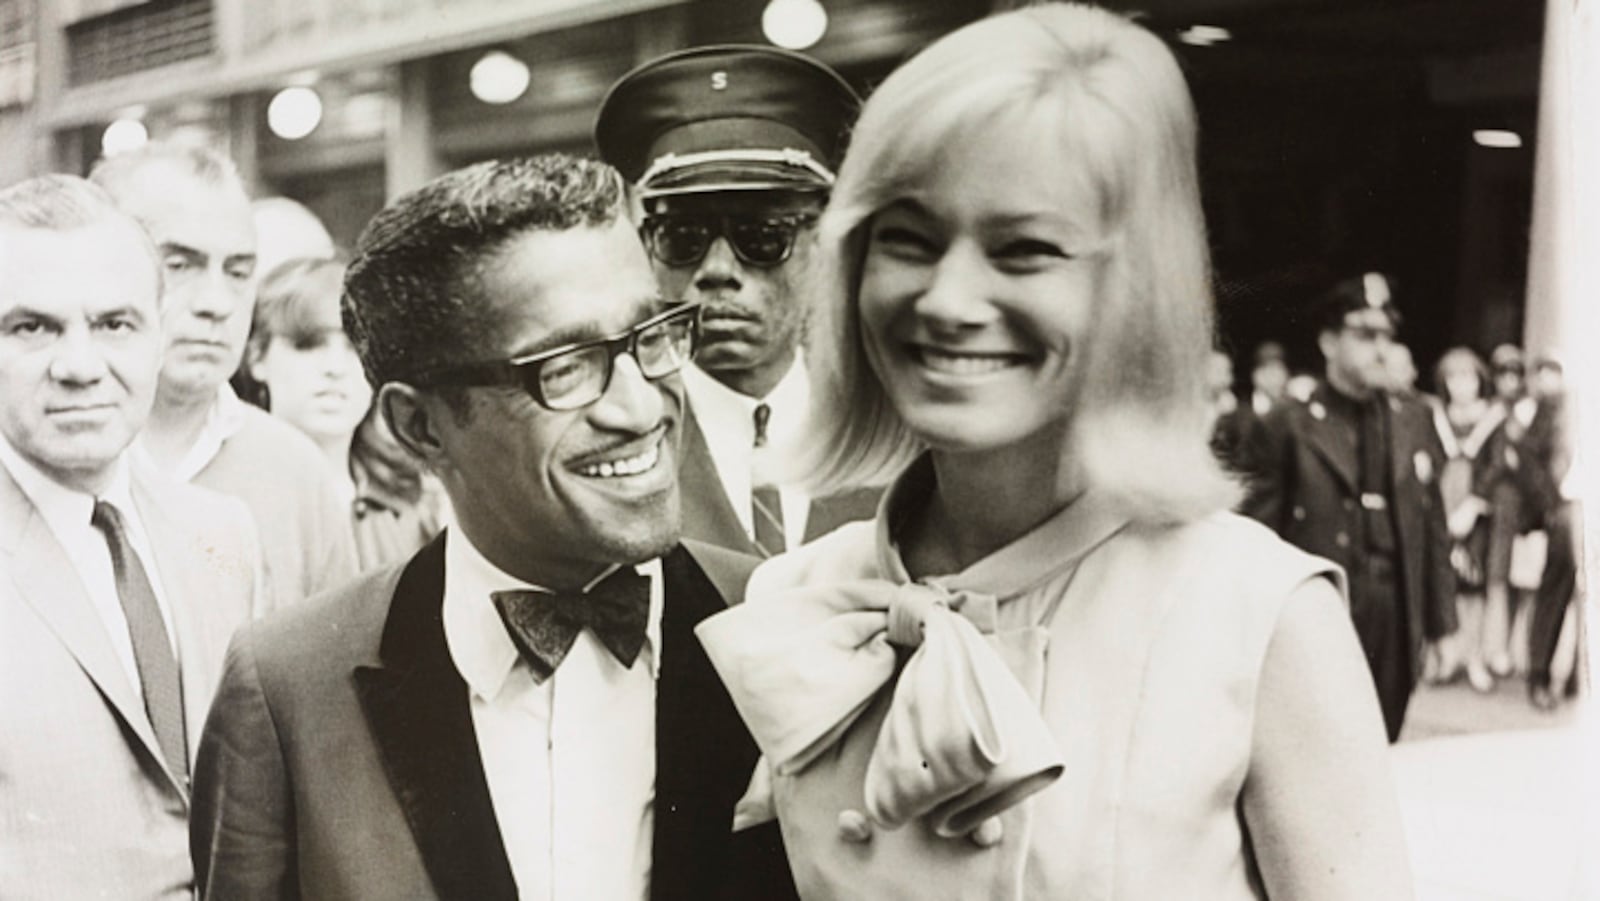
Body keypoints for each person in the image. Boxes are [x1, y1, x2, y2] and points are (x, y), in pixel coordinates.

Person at [695, 6, 1410, 899]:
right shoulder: (795, 599)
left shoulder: (1264, 620)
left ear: (1133, 290)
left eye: (1024, 249)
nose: (949, 299)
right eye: (908, 240)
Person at [189, 155, 794, 900]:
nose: (640, 410)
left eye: (652, 337)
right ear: (421, 427)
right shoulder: (287, 688)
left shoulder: (786, 619)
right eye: (567, 366)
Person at [0, 175, 262, 899]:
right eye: (32, 327)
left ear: (157, 334)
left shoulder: (222, 533)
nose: (80, 366)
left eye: (115, 324)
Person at [595, 45, 878, 558]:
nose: (717, 271)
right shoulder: (608, 438)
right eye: (683, 238)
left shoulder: (886, 429)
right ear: (648, 248)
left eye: (762, 238)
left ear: (824, 245)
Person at [89, 141, 358, 614]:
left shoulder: (296, 471)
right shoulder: (44, 452)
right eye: (178, 265)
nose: (217, 301)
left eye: (238, 271)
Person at [1242, 271, 1457, 742]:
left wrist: (1441, 626)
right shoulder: (1289, 426)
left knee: (1384, 741)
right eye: (1364, 334)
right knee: (1318, 747)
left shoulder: (1413, 417)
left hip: (1394, 608)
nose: (1381, 347)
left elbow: (1432, 526)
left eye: (1386, 335)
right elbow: (1255, 538)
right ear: (1329, 342)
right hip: (1323, 610)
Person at [244, 256, 445, 571]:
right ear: (257, 356)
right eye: (309, 345)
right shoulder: (230, 502)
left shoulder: (421, 505)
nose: (335, 368)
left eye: (356, 347)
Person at [1425, 347, 1509, 692]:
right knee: (1440, 584)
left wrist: (1473, 505)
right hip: (1440, 509)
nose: (1462, 385)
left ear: (1480, 380)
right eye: (1454, 378)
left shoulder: (1493, 417)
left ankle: (1474, 658)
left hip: (1476, 513)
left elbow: (1497, 465)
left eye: (1469, 377)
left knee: (1473, 587)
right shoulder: (1435, 417)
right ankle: (1444, 657)